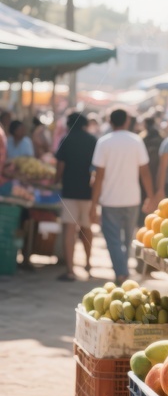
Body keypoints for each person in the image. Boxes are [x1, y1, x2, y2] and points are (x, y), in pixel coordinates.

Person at [91, 109, 154, 283]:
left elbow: (99, 176)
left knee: (113, 241)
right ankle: (123, 271)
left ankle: (121, 272)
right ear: (127, 121)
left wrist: (93, 204)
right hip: (132, 198)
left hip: (110, 200)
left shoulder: (104, 142)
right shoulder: (136, 141)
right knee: (126, 240)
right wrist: (150, 195)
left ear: (110, 122)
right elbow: (145, 172)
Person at [55, 112, 97, 281]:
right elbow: (97, 168)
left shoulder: (66, 139)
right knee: (87, 228)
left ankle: (70, 270)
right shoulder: (92, 140)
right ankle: (88, 264)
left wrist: (55, 180)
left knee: (69, 230)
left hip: (69, 191)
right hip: (88, 192)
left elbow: (60, 167)